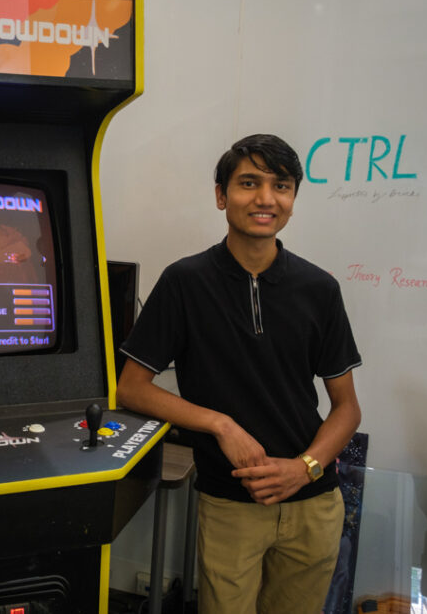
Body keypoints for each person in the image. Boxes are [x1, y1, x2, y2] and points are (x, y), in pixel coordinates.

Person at [116, 134, 362, 614]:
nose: (266, 198)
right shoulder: (184, 283)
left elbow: (347, 407)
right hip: (231, 501)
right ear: (220, 195)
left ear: (293, 199)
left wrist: (304, 468)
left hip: (312, 502)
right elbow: (132, 389)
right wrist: (219, 423)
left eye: (281, 186)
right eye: (249, 183)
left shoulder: (319, 288)